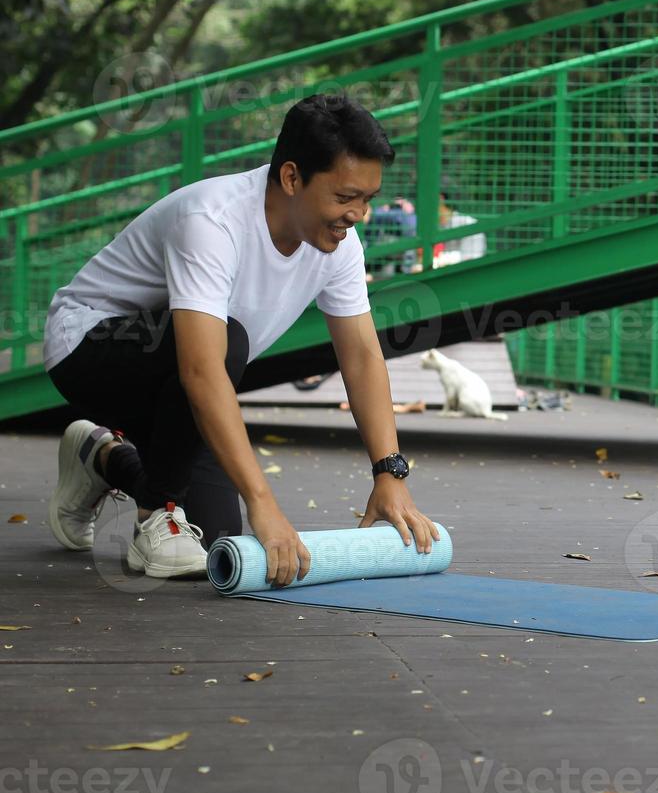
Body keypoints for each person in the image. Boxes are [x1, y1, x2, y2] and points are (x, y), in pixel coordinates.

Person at [42, 94, 439, 584]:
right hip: (87, 346)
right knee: (227, 344)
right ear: (292, 178)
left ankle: (101, 457)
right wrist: (264, 504)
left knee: (217, 540)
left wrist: (389, 473)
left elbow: (359, 355)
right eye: (344, 197)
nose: (358, 214)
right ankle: (156, 513)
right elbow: (202, 370)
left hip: (181, 378)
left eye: (367, 199)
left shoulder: (339, 242)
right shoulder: (213, 221)